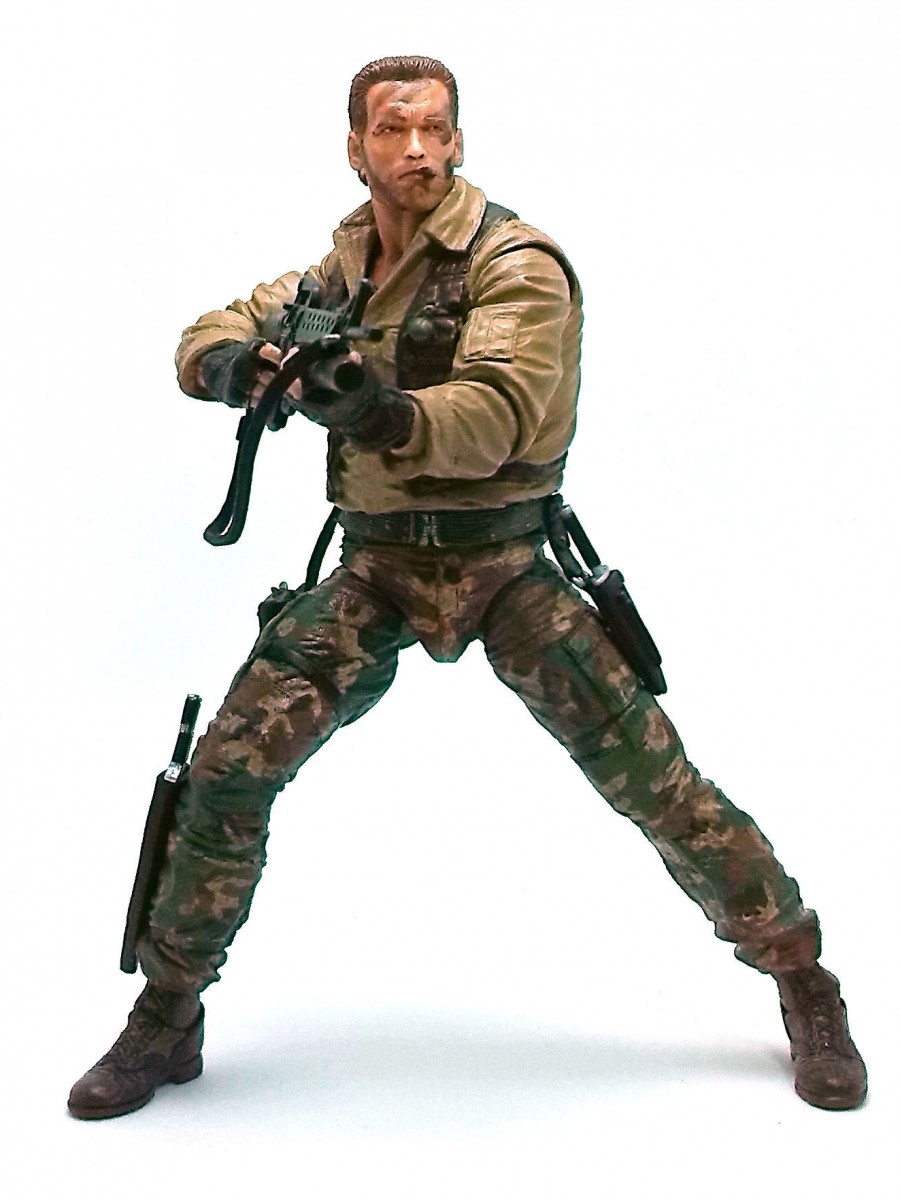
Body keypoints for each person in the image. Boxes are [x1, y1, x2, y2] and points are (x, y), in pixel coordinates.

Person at [68, 55, 866, 1120]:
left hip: (505, 569)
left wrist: (377, 411)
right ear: (355, 148)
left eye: (436, 130)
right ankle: (169, 1012)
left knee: (655, 782)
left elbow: (498, 415)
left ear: (458, 140)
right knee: (224, 771)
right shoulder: (339, 270)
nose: (418, 151)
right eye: (393, 130)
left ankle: (803, 977)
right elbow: (208, 331)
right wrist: (244, 370)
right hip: (376, 568)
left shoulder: (516, 263)